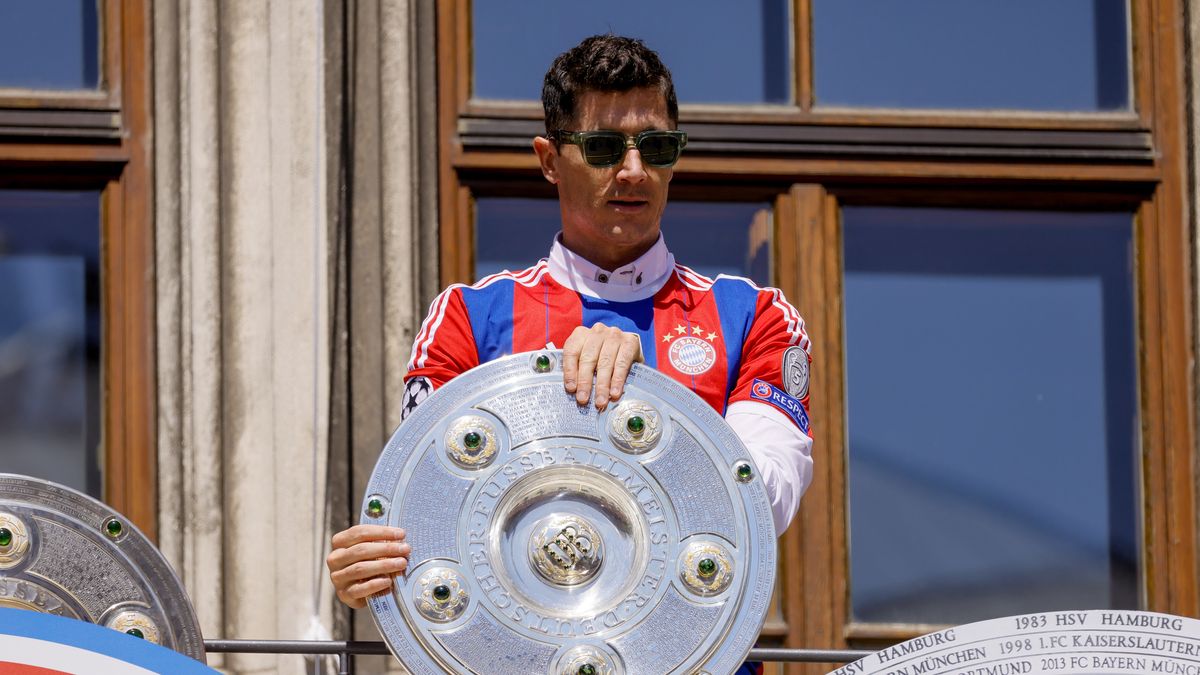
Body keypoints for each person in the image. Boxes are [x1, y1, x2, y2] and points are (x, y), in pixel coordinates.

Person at [326, 35, 813, 674]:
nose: (634, 171)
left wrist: (643, 397)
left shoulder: (758, 317)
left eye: (657, 147)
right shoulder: (467, 319)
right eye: (606, 148)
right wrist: (372, 566)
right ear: (550, 160)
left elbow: (765, 504)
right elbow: (431, 514)